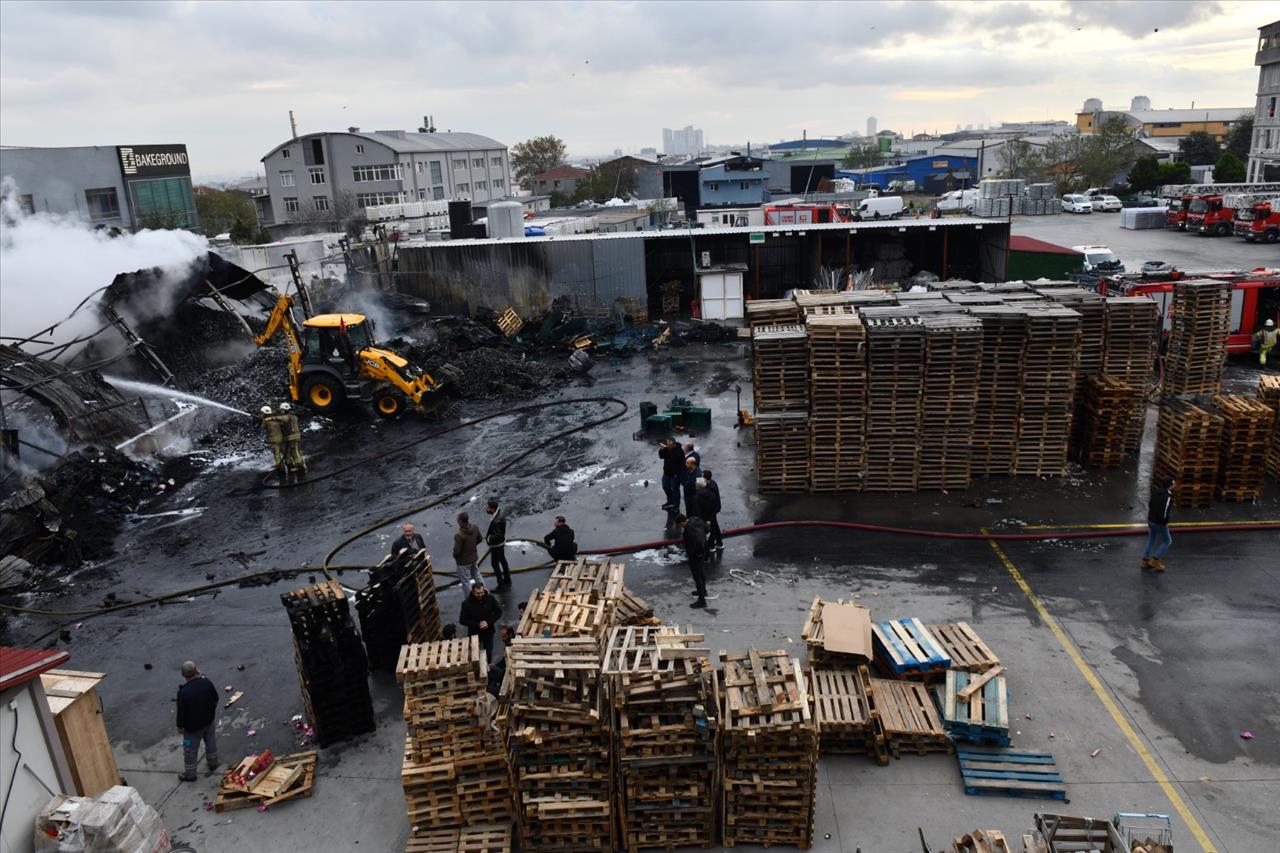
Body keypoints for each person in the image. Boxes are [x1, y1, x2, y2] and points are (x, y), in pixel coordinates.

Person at [175, 661, 220, 782]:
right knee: (211, 741)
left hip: (192, 728)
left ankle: (190, 774)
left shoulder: (183, 693)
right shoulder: (207, 682)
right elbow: (216, 699)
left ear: (184, 675)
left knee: (189, 749)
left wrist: (180, 727)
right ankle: (213, 763)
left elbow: (181, 713)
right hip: (208, 721)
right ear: (196, 671)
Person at [459, 582, 503, 662]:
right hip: (474, 633)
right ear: (473, 592)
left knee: (488, 651)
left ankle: (489, 666)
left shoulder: (490, 599)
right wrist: (478, 624)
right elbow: (462, 620)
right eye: (477, 593)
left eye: (481, 592)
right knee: (474, 654)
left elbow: (498, 612)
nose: (480, 595)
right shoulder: (466, 603)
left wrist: (488, 622)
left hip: (488, 631)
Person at [1141, 478, 1175, 572]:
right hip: (1159, 522)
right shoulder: (1167, 497)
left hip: (1151, 520)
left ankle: (1145, 560)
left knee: (1151, 539)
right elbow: (1164, 512)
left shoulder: (1156, 492)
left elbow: (1150, 504)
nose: (1174, 484)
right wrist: (1164, 523)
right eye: (1173, 483)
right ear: (1170, 486)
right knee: (1167, 541)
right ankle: (1155, 560)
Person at [678, 514, 709, 609]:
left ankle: (701, 600)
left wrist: (694, 554)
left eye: (680, 525)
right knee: (701, 572)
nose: (681, 527)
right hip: (704, 551)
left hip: (696, 555)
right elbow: (708, 529)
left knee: (697, 576)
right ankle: (703, 591)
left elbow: (694, 543)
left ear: (682, 522)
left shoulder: (688, 530)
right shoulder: (696, 520)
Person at [453, 512, 483, 593]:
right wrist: (472, 546)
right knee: (477, 576)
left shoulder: (459, 535)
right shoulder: (475, 528)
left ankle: (470, 600)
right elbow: (480, 539)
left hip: (463, 562)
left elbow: (457, 552)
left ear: (460, 521)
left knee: (466, 582)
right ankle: (483, 592)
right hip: (473, 558)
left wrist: (456, 557)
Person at [485, 499, 512, 589]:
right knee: (503, 560)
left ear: (492, 509)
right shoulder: (499, 514)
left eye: (488, 508)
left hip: (496, 545)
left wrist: (489, 538)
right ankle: (507, 579)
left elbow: (498, 535)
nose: (486, 509)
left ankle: (501, 585)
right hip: (500, 544)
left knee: (495, 564)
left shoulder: (496, 521)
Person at [486, 624, 517, 697]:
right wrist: (493, 666)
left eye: (504, 636)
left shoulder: (513, 646)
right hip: (505, 668)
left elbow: (509, 665)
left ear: (510, 634)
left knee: (492, 688)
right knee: (490, 669)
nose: (503, 639)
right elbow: (503, 661)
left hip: (509, 673)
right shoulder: (508, 643)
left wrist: (493, 668)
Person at [695, 476, 723, 552]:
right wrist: (710, 518)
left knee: (708, 531)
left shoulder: (697, 496)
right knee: (714, 528)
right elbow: (714, 507)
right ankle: (717, 544)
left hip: (704, 517)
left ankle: (711, 546)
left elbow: (698, 510)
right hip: (711, 515)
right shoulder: (711, 494)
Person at [279, 402, 306, 479]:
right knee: (298, 450)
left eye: (282, 410)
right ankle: (301, 464)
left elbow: (280, 420)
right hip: (297, 436)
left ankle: (299, 467)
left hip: (291, 437)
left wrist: (270, 418)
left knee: (294, 452)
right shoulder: (294, 417)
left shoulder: (285, 417)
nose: (281, 411)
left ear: (284, 410)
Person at [658, 438, 684, 511]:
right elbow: (661, 457)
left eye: (670, 445)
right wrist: (661, 450)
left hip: (675, 475)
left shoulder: (679, 451)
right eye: (667, 444)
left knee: (675, 489)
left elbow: (682, 464)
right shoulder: (666, 449)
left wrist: (677, 473)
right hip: (666, 472)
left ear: (674, 444)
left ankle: (676, 505)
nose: (668, 446)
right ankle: (670, 501)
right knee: (665, 486)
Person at [261, 405, 284, 475]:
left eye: (262, 413)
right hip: (281, 438)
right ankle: (291, 465)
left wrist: (263, 420)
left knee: (277, 454)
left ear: (265, 413)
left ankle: (281, 469)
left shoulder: (266, 421)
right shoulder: (276, 419)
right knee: (285, 452)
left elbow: (263, 427)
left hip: (274, 440)